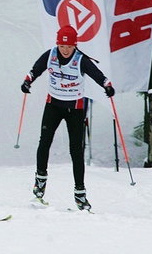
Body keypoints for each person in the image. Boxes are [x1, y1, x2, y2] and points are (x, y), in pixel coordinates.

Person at [20, 25, 115, 211]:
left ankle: (80, 193)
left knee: (76, 150)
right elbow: (35, 70)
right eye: (62, 46)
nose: (65, 50)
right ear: (58, 44)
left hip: (75, 108)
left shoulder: (81, 59)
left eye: (69, 47)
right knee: (44, 141)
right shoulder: (50, 55)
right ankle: (40, 182)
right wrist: (27, 82)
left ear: (74, 45)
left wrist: (107, 86)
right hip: (53, 105)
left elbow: (98, 76)